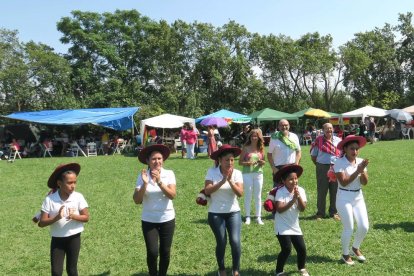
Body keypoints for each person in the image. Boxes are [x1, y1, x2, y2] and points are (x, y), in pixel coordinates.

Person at [38, 163, 89, 276]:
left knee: (72, 269)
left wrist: (74, 216)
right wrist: (56, 218)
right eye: (69, 183)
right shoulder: (49, 199)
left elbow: (86, 217)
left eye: (75, 182)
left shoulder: (78, 197)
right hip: (57, 240)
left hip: (74, 238)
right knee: (56, 272)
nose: (73, 186)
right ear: (59, 183)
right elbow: (41, 223)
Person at [133, 144, 177, 276]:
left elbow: (172, 195)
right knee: (152, 252)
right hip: (148, 220)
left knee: (165, 252)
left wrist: (159, 182)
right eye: (153, 159)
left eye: (159, 158)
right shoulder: (142, 176)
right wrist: (145, 184)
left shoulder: (169, 174)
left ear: (163, 160)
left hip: (167, 219)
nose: (157, 161)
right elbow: (137, 200)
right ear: (147, 161)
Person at [204, 144, 243, 276]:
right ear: (220, 160)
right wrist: (222, 181)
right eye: (227, 160)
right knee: (221, 242)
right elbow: (207, 190)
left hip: (233, 212)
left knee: (235, 241)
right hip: (216, 213)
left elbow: (240, 193)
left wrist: (230, 181)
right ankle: (221, 269)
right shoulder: (212, 172)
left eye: (232, 160)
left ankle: (236, 269)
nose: (230, 162)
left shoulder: (237, 173)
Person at [333, 135, 369, 265]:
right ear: (345, 149)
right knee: (349, 227)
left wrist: (363, 171)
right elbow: (343, 183)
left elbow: (365, 182)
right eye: (352, 149)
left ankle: (355, 248)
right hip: (344, 197)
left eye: (357, 149)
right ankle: (345, 254)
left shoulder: (360, 161)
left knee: (364, 226)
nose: (355, 151)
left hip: (358, 197)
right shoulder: (339, 162)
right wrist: (357, 171)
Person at [273, 164, 309, 276]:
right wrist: (292, 200)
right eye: (290, 179)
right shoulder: (280, 192)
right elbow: (279, 209)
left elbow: (302, 209)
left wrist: (298, 197)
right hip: (282, 226)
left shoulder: (301, 190)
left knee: (302, 249)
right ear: (283, 181)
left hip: (294, 225)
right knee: (287, 249)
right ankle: (279, 271)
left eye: (295, 178)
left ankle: (302, 268)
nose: (294, 181)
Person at [310, 123, 342, 221]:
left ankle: (334, 212)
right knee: (322, 190)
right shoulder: (318, 140)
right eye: (327, 129)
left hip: (336, 167)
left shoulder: (338, 140)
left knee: (335, 190)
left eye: (331, 128)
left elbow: (342, 154)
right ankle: (320, 213)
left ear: (333, 129)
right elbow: (313, 156)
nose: (329, 130)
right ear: (323, 130)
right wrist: (320, 165)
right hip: (322, 167)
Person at [239, 129, 266, 225]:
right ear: (249, 137)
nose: (254, 138)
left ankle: (258, 217)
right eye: (252, 136)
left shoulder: (261, 148)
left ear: (259, 138)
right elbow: (240, 162)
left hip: (258, 173)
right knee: (248, 195)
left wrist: (262, 162)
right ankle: (247, 217)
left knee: (258, 196)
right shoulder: (246, 147)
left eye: (256, 136)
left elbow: (264, 161)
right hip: (247, 174)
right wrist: (248, 163)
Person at [268, 119, 301, 186]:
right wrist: (274, 168)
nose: (284, 127)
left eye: (286, 125)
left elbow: (298, 151)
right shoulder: (274, 137)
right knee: (278, 190)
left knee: (292, 190)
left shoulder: (294, 136)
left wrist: (296, 163)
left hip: (292, 166)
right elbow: (269, 155)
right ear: (278, 127)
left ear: (289, 126)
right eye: (282, 125)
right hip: (279, 168)